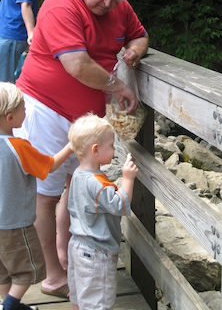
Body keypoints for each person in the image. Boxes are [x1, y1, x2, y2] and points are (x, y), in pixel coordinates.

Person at [14, 0, 149, 298]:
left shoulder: (119, 5)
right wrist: (118, 86)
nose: (109, 2)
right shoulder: (62, 4)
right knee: (45, 194)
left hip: (86, 120)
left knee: (77, 189)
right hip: (45, 110)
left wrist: (133, 51)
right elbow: (77, 65)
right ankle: (54, 275)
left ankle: (66, 255)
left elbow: (140, 35)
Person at [0, 82, 73, 310]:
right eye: (23, 108)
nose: (27, 111)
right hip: (15, 226)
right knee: (27, 271)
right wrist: (71, 146)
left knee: (2, 272)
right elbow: (50, 166)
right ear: (10, 117)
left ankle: (6, 303)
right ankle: (11, 306)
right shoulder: (19, 146)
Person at [67, 113, 138, 310]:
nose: (115, 150)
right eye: (112, 145)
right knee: (98, 302)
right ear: (96, 150)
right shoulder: (97, 183)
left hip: (76, 245)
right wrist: (128, 179)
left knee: (80, 297)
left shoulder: (77, 175)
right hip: (96, 252)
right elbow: (118, 205)